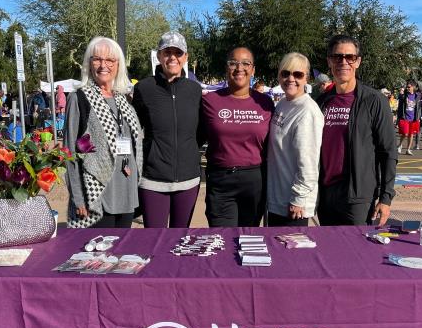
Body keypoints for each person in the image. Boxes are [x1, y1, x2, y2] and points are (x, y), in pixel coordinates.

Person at [316, 34, 396, 226]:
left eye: (350, 57)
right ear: (329, 61)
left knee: (357, 252)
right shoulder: (320, 103)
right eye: (337, 57)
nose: (343, 62)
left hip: (358, 195)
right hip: (326, 193)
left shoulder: (374, 101)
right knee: (328, 251)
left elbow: (388, 152)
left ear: (357, 61)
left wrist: (386, 198)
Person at [64, 36, 142, 228]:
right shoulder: (79, 99)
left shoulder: (123, 100)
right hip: (96, 196)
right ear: (89, 63)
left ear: (118, 64)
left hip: (125, 191)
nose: (103, 65)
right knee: (97, 255)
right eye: (97, 59)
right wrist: (78, 197)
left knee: (121, 253)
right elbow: (68, 153)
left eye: (109, 60)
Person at [132, 31, 203, 228]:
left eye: (178, 53)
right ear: (159, 56)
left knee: (180, 240)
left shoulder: (194, 90)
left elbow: (200, 131)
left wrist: (189, 152)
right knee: (154, 241)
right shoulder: (144, 88)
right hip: (153, 180)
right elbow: (134, 130)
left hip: (188, 180)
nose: (172, 57)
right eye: (167, 52)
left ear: (185, 57)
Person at [201, 47, 274, 227]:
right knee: (222, 238)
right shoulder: (210, 100)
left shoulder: (265, 102)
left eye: (245, 63)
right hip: (221, 180)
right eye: (233, 63)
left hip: (254, 181)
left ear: (253, 69)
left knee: (249, 238)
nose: (239, 68)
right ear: (227, 68)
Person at [266, 53, 324, 227]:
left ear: (307, 78)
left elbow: (309, 163)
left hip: (292, 205)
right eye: (285, 73)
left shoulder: (307, 111)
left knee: (288, 253)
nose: (291, 79)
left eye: (298, 74)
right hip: (276, 198)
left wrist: (298, 198)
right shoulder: (284, 103)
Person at [396, 81, 420, 155]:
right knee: (405, 133)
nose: (408, 88)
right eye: (407, 87)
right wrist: (401, 93)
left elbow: (418, 107)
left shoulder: (416, 96)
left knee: (411, 134)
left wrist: (418, 117)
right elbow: (399, 98)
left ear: (413, 87)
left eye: (409, 87)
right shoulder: (404, 96)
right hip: (405, 117)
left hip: (413, 118)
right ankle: (399, 145)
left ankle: (408, 149)